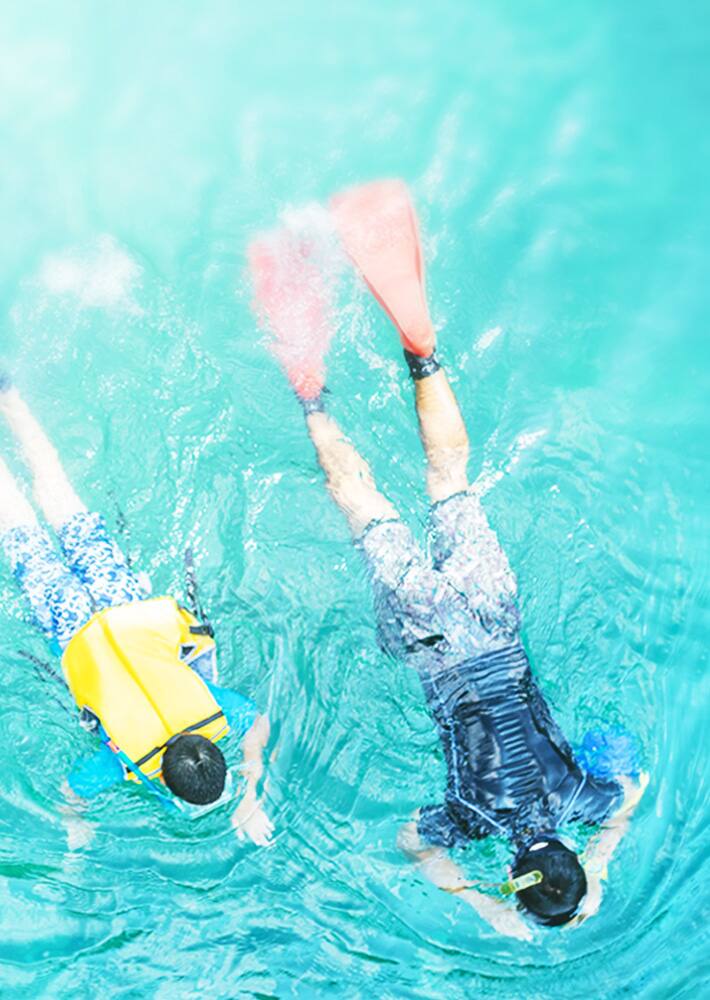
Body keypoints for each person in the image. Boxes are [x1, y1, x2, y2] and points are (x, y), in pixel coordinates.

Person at [249, 180, 647, 938]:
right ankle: (312, 399)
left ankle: (422, 356)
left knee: (450, 481)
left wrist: (598, 864)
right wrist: (486, 907)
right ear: (513, 876)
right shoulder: (472, 818)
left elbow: (627, 799)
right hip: (433, 643)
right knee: (369, 510)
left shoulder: (579, 799)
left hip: (492, 617)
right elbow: (413, 842)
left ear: (568, 856)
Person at [0, 375, 273, 846]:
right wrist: (76, 825)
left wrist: (252, 791)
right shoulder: (122, 760)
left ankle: (10, 396)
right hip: (73, 628)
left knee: (59, 496)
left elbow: (256, 721)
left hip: (123, 602)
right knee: (19, 525)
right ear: (163, 780)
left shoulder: (212, 709)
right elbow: (71, 791)